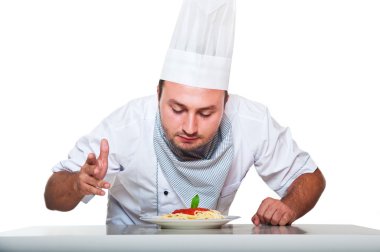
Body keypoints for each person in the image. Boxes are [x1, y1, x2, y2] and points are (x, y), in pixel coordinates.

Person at [44, 0, 325, 226]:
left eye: (206, 113)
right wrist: (77, 183)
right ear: (158, 95)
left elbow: (311, 178)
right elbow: (52, 197)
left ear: (225, 103)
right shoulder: (126, 126)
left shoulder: (251, 122)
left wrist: (288, 206)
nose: (190, 126)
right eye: (177, 109)